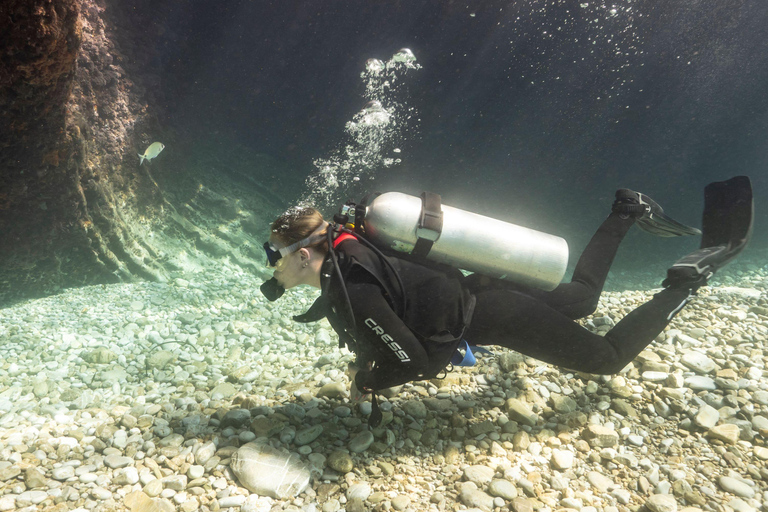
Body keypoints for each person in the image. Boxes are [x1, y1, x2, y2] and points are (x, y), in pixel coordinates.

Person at [260, 176, 753, 426]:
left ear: (304, 255)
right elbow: (398, 316)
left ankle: (687, 280)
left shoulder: (351, 288)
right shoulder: (353, 246)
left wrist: (369, 380)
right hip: (483, 287)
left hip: (492, 312)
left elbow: (416, 361)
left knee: (605, 359)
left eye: (272, 256)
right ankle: (627, 210)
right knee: (581, 299)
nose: (271, 268)